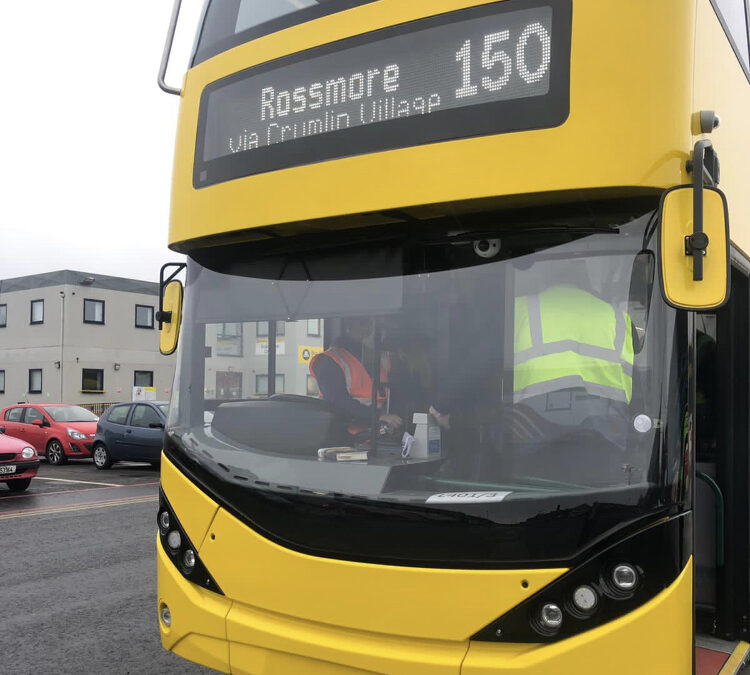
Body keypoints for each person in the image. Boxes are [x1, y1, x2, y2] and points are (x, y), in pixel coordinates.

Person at [309, 317, 402, 437]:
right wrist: (377, 415)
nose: (369, 328)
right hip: (345, 435)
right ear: (349, 325)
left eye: (371, 323)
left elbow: (397, 391)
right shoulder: (329, 360)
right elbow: (337, 401)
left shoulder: (381, 358)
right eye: (363, 322)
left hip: (382, 431)